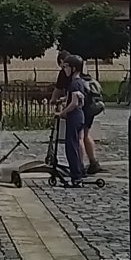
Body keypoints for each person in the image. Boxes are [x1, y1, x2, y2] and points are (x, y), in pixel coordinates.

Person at [52, 58, 87, 188]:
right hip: (78, 116)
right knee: (74, 145)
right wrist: (62, 100)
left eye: (66, 66)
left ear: (73, 68)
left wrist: (62, 113)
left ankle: (76, 177)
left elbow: (74, 103)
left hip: (74, 116)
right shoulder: (78, 82)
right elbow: (73, 98)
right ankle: (77, 174)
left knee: (71, 147)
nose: (64, 69)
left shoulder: (74, 83)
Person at [73, 55, 104, 176]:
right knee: (86, 135)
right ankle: (93, 162)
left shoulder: (75, 79)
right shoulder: (87, 77)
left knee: (79, 137)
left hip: (82, 111)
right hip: (90, 110)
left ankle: (79, 165)